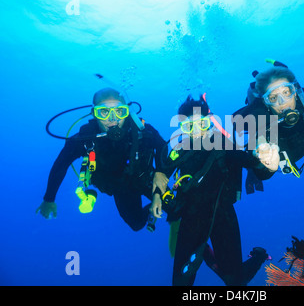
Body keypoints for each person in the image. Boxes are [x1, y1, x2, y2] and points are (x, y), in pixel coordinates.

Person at [151, 95, 279, 286]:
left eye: (202, 125)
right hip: (190, 215)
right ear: (182, 129)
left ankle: (258, 257)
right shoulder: (179, 149)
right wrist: (156, 196)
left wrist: (267, 161)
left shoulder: (223, 145)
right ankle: (205, 253)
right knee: (180, 283)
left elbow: (252, 162)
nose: (197, 132)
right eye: (189, 127)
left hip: (223, 215)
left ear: (209, 123)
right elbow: (162, 173)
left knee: (236, 283)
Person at [36, 88, 167, 232]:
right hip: (120, 188)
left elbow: (162, 147)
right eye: (104, 112)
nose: (113, 119)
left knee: (175, 207)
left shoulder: (142, 131)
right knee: (136, 224)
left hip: (146, 179)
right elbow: (61, 165)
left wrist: (160, 172)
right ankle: (152, 211)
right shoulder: (83, 139)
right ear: (94, 113)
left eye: (119, 111)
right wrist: (49, 198)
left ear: (127, 112)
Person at [234, 60, 304, 193]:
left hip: (301, 146)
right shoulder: (261, 119)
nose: (282, 102)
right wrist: (267, 165)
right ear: (266, 103)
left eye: (286, 92)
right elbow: (260, 142)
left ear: (295, 91)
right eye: (272, 98)